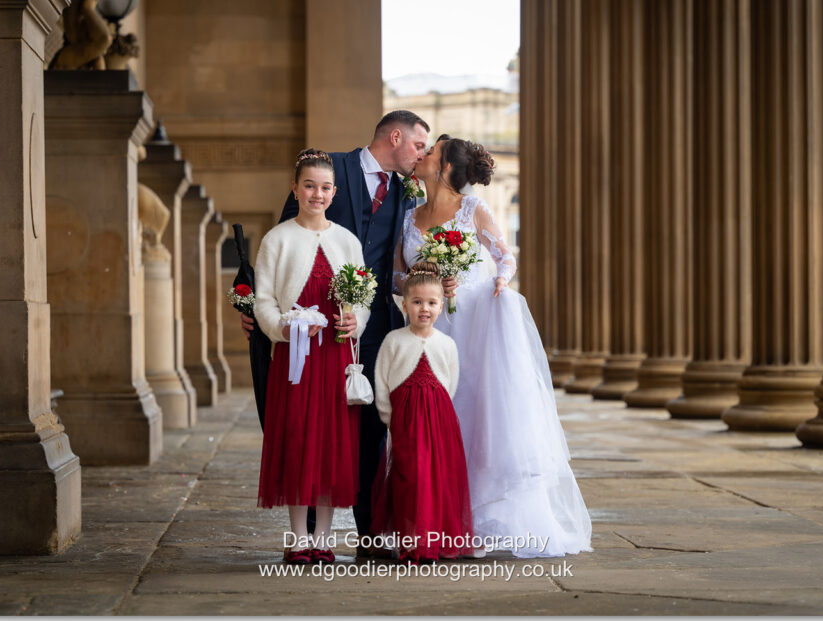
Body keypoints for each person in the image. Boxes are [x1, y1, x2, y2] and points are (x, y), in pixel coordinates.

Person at [393, 135, 593, 558]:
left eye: (431, 152)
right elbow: (397, 276)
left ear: (446, 168)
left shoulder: (472, 209)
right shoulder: (410, 217)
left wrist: (501, 280)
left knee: (477, 411)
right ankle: (442, 517)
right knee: (437, 413)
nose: (423, 155)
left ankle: (479, 521)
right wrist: (421, 281)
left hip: (476, 320)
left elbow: (505, 256)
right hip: (431, 325)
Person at [241, 111, 430, 551]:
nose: (420, 156)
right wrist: (254, 307)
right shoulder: (329, 169)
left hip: (369, 326)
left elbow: (392, 263)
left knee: (366, 430)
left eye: (323, 190)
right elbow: (276, 256)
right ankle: (302, 535)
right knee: (304, 430)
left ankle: (368, 533)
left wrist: (428, 286)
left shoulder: (405, 190)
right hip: (300, 336)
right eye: (418, 145)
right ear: (396, 137)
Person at [253, 149, 369, 565]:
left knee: (332, 441)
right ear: (295, 187)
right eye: (308, 186)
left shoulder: (347, 241)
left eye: (324, 187)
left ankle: (324, 536)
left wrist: (357, 320)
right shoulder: (276, 239)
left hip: (336, 357)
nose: (316, 194)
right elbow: (264, 300)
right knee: (299, 438)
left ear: (334, 192)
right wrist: (281, 328)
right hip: (295, 359)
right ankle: (297, 537)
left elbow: (364, 296)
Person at [370, 261, 473, 564]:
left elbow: (450, 384)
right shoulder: (393, 341)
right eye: (417, 302)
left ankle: (433, 541)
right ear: (404, 305)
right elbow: (382, 380)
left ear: (441, 306)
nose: (423, 309)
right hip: (405, 422)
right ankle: (410, 541)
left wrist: (436, 412)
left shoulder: (447, 344)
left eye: (431, 302)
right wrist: (389, 418)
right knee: (410, 478)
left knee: (437, 478)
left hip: (440, 423)